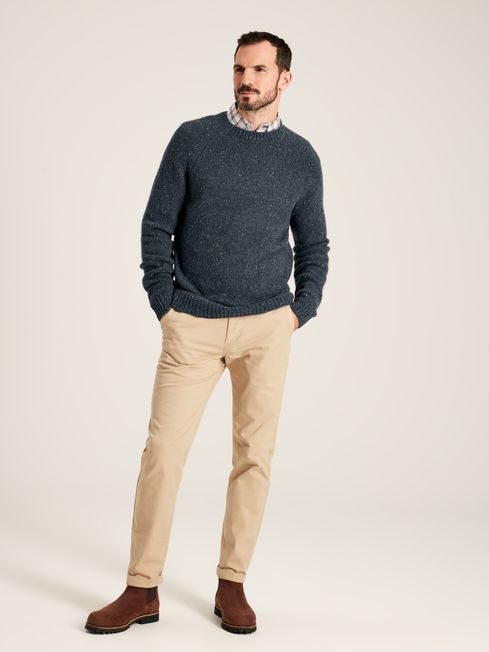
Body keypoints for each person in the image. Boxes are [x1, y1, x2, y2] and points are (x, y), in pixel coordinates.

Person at [85, 30, 330, 636]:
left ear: (284, 79)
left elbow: (314, 245)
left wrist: (299, 311)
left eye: (259, 70)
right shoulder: (193, 139)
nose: (246, 79)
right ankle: (142, 587)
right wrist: (164, 303)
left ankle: (232, 582)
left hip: (266, 327)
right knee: (162, 453)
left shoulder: (301, 158)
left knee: (254, 457)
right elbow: (156, 225)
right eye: (240, 68)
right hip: (191, 323)